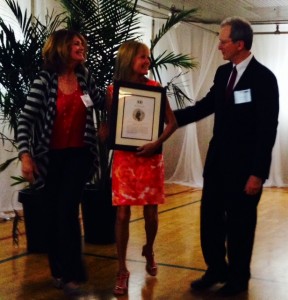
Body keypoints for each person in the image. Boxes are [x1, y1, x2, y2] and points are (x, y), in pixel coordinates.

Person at [174, 17, 279, 296]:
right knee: (210, 220)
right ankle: (215, 269)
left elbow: (267, 128)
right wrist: (171, 118)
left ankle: (238, 278)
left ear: (239, 44)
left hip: (245, 170)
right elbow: (207, 105)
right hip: (218, 164)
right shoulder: (223, 74)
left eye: (223, 41)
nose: (219, 46)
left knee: (240, 226)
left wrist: (258, 173)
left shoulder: (264, 78)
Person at [17, 29, 104, 296]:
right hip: (50, 158)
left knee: (67, 210)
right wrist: (25, 155)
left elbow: (102, 100)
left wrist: (129, 94)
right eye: (76, 43)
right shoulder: (44, 81)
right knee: (55, 215)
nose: (81, 47)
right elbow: (25, 121)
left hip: (79, 156)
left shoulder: (84, 77)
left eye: (82, 43)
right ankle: (58, 270)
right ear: (61, 48)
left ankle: (72, 274)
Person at [104, 40, 177, 296]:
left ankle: (149, 248)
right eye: (142, 57)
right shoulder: (113, 91)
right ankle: (122, 269)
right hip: (125, 159)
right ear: (128, 60)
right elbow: (111, 126)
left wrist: (156, 142)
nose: (147, 61)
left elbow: (172, 122)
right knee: (122, 215)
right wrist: (104, 133)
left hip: (150, 157)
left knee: (150, 214)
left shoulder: (156, 88)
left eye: (148, 57)